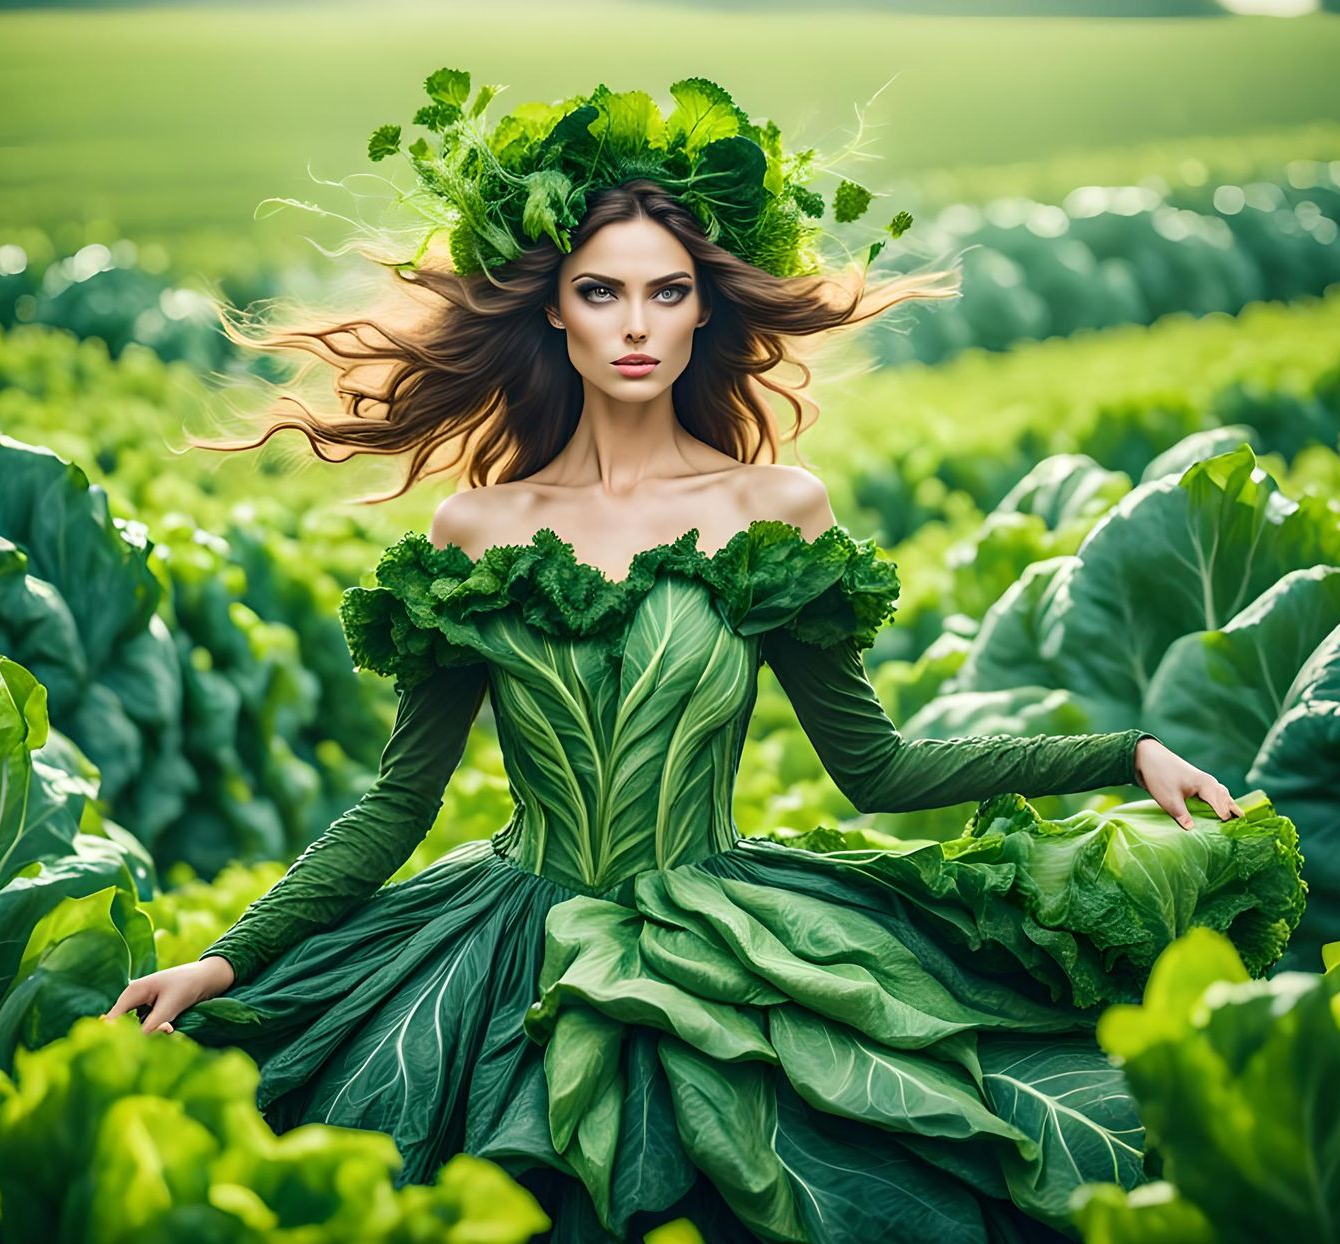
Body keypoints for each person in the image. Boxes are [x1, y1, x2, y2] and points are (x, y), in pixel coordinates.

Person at [105, 71, 1263, 1243]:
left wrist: (1125, 751)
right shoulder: (474, 530)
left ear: (705, 308)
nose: (636, 324)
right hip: (502, 955)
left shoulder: (776, 510)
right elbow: (398, 801)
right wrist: (225, 954)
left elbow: (877, 766)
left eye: (668, 292)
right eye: (600, 291)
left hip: (726, 935)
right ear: (553, 308)